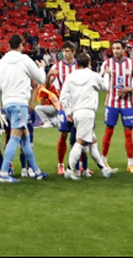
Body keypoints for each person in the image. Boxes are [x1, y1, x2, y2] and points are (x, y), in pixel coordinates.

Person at [0, 35, 47, 184]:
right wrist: (42, 68)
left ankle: (37, 171)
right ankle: (3, 172)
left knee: (25, 137)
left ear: (9, 45)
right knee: (15, 137)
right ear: (21, 45)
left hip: (7, 103)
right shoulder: (24, 60)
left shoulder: (1, 63)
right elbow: (40, 79)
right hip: (19, 103)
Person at [58, 52, 117, 180]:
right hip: (87, 112)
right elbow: (105, 87)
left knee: (93, 142)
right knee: (80, 142)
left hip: (76, 112)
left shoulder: (71, 76)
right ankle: (69, 169)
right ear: (89, 64)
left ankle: (104, 169)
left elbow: (63, 97)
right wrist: (107, 74)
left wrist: (68, 112)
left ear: (77, 63)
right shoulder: (93, 76)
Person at [99, 41, 133, 174]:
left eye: (118, 48)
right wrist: (106, 74)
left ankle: (130, 163)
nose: (115, 51)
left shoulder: (132, 64)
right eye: (114, 49)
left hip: (127, 104)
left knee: (128, 133)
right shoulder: (107, 64)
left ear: (124, 49)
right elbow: (99, 81)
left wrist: (130, 88)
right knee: (109, 131)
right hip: (111, 103)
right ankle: (104, 160)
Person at [47, 42, 77, 176]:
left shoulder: (79, 66)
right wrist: (48, 76)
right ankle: (60, 165)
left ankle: (80, 165)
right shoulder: (57, 66)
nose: (66, 53)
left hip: (78, 105)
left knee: (79, 136)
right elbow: (47, 86)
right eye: (64, 51)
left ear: (74, 52)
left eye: (69, 51)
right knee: (63, 134)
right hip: (63, 106)